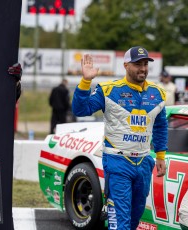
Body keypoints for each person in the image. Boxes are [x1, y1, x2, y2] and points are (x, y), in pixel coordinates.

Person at [72, 46, 168, 229]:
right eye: (137, 64)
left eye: (145, 64)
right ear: (125, 65)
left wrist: (161, 155)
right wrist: (85, 81)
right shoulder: (108, 90)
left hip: (144, 162)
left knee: (134, 218)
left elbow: (161, 125)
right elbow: (80, 109)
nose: (143, 68)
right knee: (121, 221)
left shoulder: (158, 94)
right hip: (117, 162)